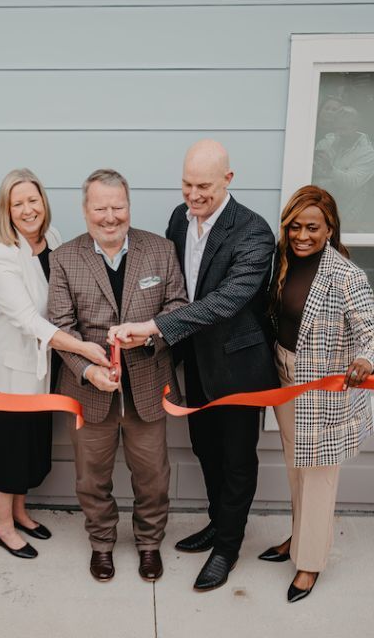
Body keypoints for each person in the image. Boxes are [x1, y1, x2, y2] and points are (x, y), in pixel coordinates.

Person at [109, 140, 279, 591]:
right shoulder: (177, 221)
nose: (193, 194)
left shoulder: (255, 233)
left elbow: (224, 302)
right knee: (205, 449)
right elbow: (170, 280)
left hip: (240, 368)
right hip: (195, 365)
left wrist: (154, 325)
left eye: (203, 185)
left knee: (237, 459)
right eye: (186, 183)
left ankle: (227, 548)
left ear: (228, 179)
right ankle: (215, 523)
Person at [48, 169, 188, 583]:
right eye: (100, 207)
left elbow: (178, 309)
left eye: (118, 206)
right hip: (89, 392)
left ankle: (148, 543)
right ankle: (102, 544)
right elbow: (60, 328)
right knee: (91, 479)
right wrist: (88, 370)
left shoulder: (160, 250)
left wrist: (147, 340)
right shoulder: (65, 258)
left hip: (147, 387)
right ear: (85, 209)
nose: (110, 216)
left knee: (154, 478)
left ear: (129, 206)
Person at [0, 168, 110, 560]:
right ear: (6, 210)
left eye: (33, 200)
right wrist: (83, 349)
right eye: (18, 204)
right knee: (7, 451)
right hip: (7, 371)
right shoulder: (0, 254)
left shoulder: (53, 239)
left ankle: (20, 513)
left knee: (30, 447)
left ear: (43, 202)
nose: (28, 209)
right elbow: (30, 321)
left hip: (42, 366)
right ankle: (2, 528)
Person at [258, 185, 374, 602]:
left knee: (320, 477)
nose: (302, 235)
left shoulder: (346, 275)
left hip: (327, 392)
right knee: (296, 468)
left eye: (312, 227)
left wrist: (366, 359)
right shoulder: (283, 264)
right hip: (286, 376)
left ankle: (310, 563)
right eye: (295, 226)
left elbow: (369, 330)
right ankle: (298, 538)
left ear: (330, 230)